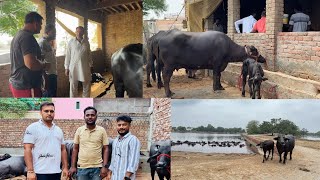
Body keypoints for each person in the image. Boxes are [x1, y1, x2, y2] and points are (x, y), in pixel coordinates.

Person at [23, 102, 68, 180]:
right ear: (41, 112)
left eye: (52, 111)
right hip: (39, 172)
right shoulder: (32, 128)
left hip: (56, 171)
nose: (49, 113)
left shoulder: (58, 130)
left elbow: (63, 149)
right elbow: (27, 149)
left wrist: (65, 168)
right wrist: (30, 171)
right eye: (46, 111)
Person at [9, 12, 50, 97]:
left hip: (18, 83)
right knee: (33, 110)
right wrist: (44, 65)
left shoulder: (18, 35)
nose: (41, 27)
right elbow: (31, 64)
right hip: (27, 86)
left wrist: (38, 57)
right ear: (35, 23)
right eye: (40, 24)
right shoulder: (27, 37)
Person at [69, 106, 109, 180]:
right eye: (87, 115)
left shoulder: (102, 130)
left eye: (92, 115)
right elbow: (75, 149)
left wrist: (104, 166)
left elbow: (106, 149)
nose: (90, 117)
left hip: (97, 168)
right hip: (82, 168)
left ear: (96, 117)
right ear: (84, 117)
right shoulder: (79, 130)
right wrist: (72, 166)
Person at [108, 115, 141, 180]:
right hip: (114, 177)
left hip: (125, 177)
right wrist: (109, 172)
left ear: (129, 126)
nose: (121, 127)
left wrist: (127, 176)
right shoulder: (115, 141)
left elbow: (134, 161)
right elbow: (113, 159)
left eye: (124, 125)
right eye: (119, 125)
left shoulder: (133, 140)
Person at [64, 26, 93, 97]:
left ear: (83, 32)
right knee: (73, 86)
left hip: (85, 67)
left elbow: (89, 55)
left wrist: (91, 65)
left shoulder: (86, 42)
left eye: (81, 32)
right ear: (75, 32)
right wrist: (66, 67)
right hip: (73, 68)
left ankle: (85, 102)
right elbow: (68, 55)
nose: (79, 33)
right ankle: (73, 103)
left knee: (86, 85)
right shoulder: (71, 42)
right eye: (78, 31)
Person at [38, 24, 57, 97]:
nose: (55, 34)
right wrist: (44, 77)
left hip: (52, 73)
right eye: (53, 32)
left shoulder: (47, 43)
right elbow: (40, 60)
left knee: (52, 95)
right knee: (49, 96)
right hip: (48, 75)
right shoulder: (42, 43)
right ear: (48, 32)